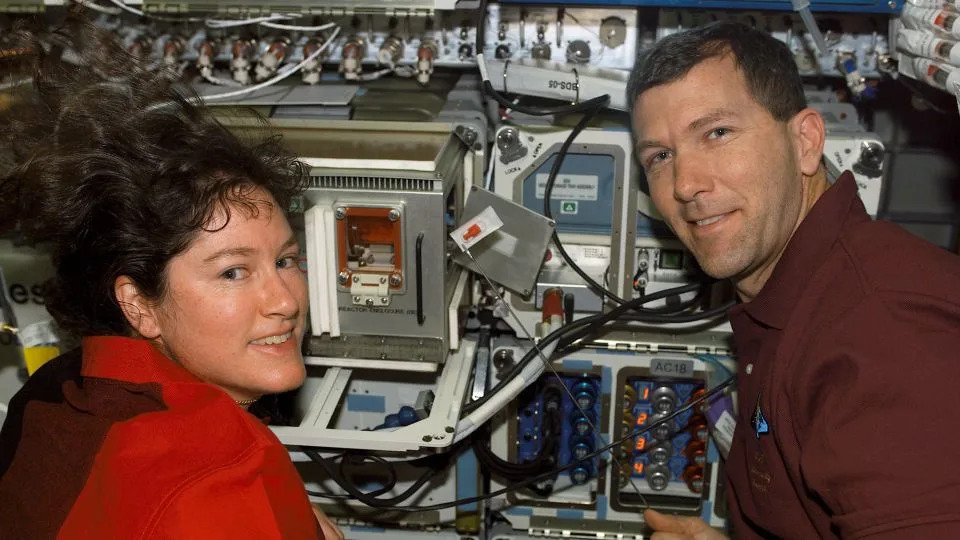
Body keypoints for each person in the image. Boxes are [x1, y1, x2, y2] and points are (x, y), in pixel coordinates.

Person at [0, 17, 342, 539]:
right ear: (138, 304)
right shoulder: (228, 472)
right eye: (233, 272)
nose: (284, 301)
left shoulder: (52, 390)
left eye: (284, 260)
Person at [627, 22, 960, 538]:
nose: (686, 183)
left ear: (805, 142)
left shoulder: (881, 331)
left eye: (716, 133)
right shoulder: (798, 297)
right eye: (660, 157)